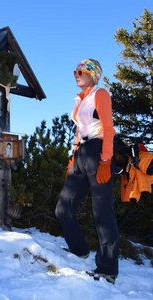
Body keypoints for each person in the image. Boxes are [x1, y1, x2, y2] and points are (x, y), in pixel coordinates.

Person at [55, 58, 119, 284]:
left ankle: (107, 269)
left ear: (93, 74)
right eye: (75, 70)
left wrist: (105, 161)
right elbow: (79, 131)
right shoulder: (80, 100)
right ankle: (79, 249)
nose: (76, 73)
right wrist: (72, 159)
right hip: (82, 152)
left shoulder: (100, 95)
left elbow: (108, 129)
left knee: (102, 212)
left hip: (98, 151)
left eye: (80, 70)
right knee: (63, 208)